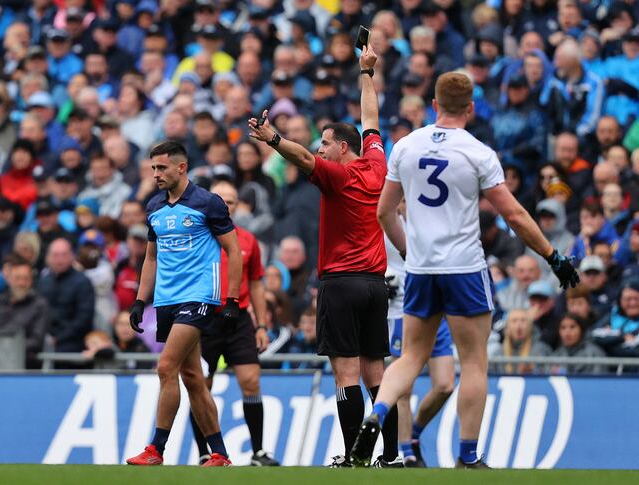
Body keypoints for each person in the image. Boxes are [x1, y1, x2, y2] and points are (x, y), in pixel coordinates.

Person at [353, 72, 579, 469]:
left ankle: (378, 413)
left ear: (434, 105)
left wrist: (410, 251)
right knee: (473, 362)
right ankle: (467, 456)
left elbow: (384, 211)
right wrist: (552, 256)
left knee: (409, 358)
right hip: (464, 269)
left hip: (420, 272)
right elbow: (514, 215)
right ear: (471, 108)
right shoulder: (477, 153)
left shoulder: (406, 146)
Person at [248, 43, 395, 468]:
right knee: (377, 374)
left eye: (327, 142)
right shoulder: (376, 163)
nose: (322, 147)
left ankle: (354, 458)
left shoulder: (337, 174)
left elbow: (302, 157)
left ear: (343, 149)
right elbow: (371, 117)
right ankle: (391, 455)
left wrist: (274, 138)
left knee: (345, 375)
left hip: (340, 284)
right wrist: (366, 72)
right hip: (374, 284)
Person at [125, 141, 242, 467]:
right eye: (153, 168)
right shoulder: (154, 207)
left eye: (161, 168)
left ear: (181, 167)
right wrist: (139, 301)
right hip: (166, 300)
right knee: (192, 377)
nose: (156, 174)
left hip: (199, 297)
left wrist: (231, 300)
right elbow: (151, 257)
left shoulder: (208, 203)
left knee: (166, 367)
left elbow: (234, 251)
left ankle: (156, 449)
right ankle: (219, 453)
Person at [187, 180, 278, 466]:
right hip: (205, 318)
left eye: (232, 202)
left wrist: (261, 324)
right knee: (202, 385)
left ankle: (258, 452)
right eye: (222, 200)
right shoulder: (197, 237)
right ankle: (206, 452)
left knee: (251, 381)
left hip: (237, 317)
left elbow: (256, 283)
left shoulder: (248, 240)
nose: (227, 206)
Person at [384, 208, 454, 468]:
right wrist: (382, 278)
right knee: (404, 389)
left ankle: (413, 434)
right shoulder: (385, 222)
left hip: (435, 310)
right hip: (402, 311)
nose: (403, 202)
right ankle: (406, 453)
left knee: (445, 385)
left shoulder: (431, 219)